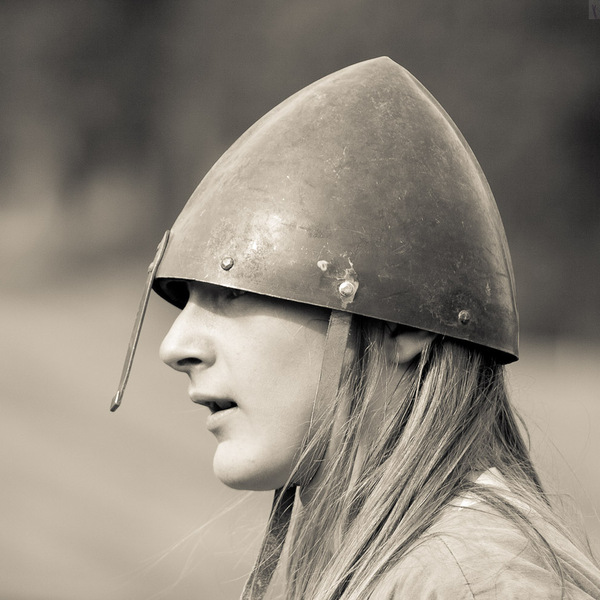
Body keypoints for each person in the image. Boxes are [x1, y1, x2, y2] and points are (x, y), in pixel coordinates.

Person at [111, 57, 600, 599]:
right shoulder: (408, 568)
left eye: (230, 293)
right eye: (186, 301)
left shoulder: (477, 585)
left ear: (400, 326)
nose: (175, 345)